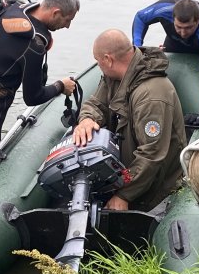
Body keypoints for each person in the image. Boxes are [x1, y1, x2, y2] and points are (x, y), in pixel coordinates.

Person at [0, 0, 80, 169]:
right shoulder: (33, 44)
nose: (67, 26)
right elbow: (33, 97)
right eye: (67, 19)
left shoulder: (16, 8)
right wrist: (60, 86)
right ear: (56, 12)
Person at [73, 29, 186, 212]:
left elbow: (152, 154)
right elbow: (96, 103)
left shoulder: (151, 96)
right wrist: (87, 118)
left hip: (157, 185)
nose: (98, 65)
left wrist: (124, 194)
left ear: (108, 59)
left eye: (98, 61)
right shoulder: (115, 77)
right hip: (127, 168)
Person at [132, 0, 199, 114]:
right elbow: (140, 17)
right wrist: (138, 49)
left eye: (188, 27)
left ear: (198, 20)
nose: (183, 32)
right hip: (175, 40)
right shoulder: (165, 9)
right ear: (173, 18)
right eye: (179, 27)